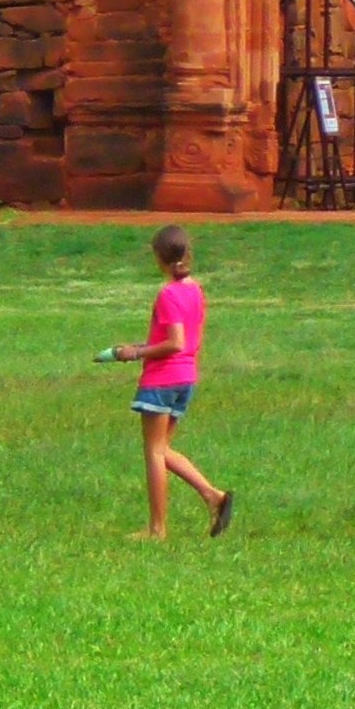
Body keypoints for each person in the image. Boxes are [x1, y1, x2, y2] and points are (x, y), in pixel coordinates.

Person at [95, 223, 233, 540]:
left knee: (154, 453)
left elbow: (175, 342)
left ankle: (157, 528)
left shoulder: (168, 294)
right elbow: (187, 339)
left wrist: (135, 352)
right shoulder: (195, 290)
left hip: (162, 380)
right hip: (186, 378)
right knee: (162, 449)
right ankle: (214, 497)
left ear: (158, 257)